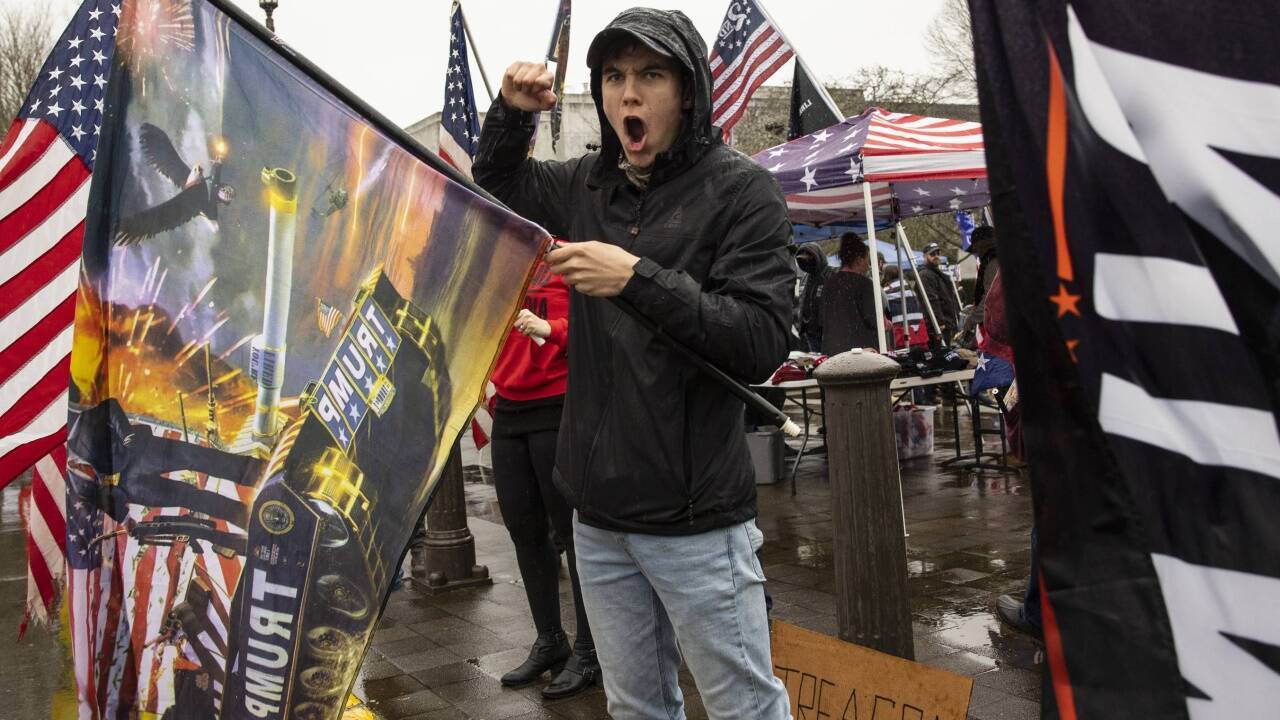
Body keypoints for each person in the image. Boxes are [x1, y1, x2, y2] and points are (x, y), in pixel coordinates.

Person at [473, 8, 793, 720]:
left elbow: (762, 339)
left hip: (697, 519)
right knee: (636, 708)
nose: (629, 94)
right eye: (614, 77)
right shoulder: (586, 184)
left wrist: (635, 277)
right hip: (598, 516)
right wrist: (510, 114)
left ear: (687, 91)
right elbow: (496, 182)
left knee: (743, 705)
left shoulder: (743, 192)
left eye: (650, 75)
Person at [489, 259, 598, 699]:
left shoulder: (566, 254)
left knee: (574, 536)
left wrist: (552, 329)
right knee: (524, 531)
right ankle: (550, 640)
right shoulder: (498, 256)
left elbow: (596, 329)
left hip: (557, 404)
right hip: (509, 409)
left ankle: (589, 650)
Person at [819, 233, 879, 355]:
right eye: (867, 260)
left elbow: (821, 319)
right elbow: (872, 319)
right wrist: (885, 322)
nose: (868, 265)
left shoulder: (829, 283)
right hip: (860, 351)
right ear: (859, 260)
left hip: (832, 350)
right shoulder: (865, 284)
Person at [961, 226, 1000, 343]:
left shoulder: (993, 263)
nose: (977, 253)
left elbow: (991, 298)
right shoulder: (998, 260)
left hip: (1000, 325)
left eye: (977, 248)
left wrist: (972, 319)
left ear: (983, 245)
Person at [918, 242, 961, 344]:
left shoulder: (937, 274)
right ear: (925, 256)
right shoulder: (925, 275)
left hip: (946, 322)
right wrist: (939, 322)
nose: (936, 256)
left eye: (938, 253)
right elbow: (930, 299)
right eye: (932, 254)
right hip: (937, 325)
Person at [881, 264, 929, 350]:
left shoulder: (886, 292)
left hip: (900, 334)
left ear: (885, 275)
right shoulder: (911, 290)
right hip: (919, 333)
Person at [795, 243, 830, 353]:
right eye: (803, 261)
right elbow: (801, 301)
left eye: (809, 260)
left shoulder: (830, 275)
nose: (806, 263)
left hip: (825, 332)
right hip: (808, 332)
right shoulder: (806, 277)